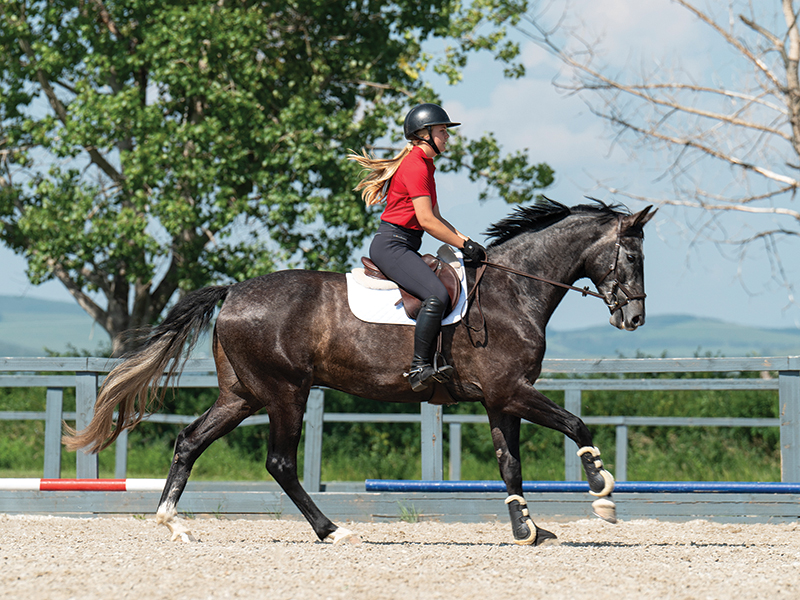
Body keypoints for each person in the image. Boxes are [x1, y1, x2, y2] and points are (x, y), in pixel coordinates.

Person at [348, 103, 487, 392]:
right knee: (436, 295)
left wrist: (468, 243)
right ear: (424, 134)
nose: (447, 136)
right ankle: (419, 368)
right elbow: (426, 221)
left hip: (404, 245)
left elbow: (437, 218)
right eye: (442, 131)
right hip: (392, 246)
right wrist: (464, 244)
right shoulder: (415, 166)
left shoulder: (425, 165)